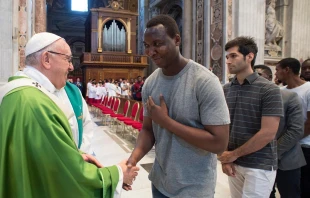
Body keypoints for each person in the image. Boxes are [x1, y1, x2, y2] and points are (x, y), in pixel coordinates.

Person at [0, 32, 139, 198]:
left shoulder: (16, 91)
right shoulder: (35, 103)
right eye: (67, 59)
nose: (72, 66)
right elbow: (70, 176)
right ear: (46, 59)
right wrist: (118, 174)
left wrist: (79, 154)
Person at [126, 15, 230, 197]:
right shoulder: (150, 83)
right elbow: (148, 130)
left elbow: (219, 144)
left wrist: (167, 122)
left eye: (157, 44)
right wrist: (133, 159)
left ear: (176, 40)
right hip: (160, 182)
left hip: (193, 187)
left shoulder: (204, 81)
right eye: (147, 45)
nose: (151, 52)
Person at [219, 36, 283, 198]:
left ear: (250, 57)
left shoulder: (269, 89)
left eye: (233, 56)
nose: (228, 61)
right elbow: (224, 127)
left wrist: (233, 154)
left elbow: (268, 133)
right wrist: (227, 158)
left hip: (259, 164)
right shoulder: (226, 89)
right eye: (227, 57)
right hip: (234, 162)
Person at [254, 65, 306, 198]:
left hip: (287, 159)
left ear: (270, 78)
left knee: (290, 194)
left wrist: (272, 152)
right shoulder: (250, 100)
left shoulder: (289, 97)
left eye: (260, 76)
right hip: (257, 160)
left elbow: (296, 130)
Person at [275, 57, 310, 198]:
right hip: (285, 147)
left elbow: (309, 123)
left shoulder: (308, 89)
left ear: (287, 70)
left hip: (305, 145)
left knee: (304, 187)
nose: (275, 73)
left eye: (277, 70)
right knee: (288, 188)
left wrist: (292, 138)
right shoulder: (280, 91)